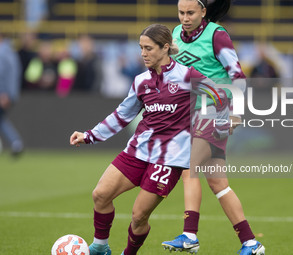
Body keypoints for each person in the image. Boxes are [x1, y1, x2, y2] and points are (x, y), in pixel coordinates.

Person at [69, 24, 226, 255]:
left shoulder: (187, 75)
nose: (143, 53)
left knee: (138, 216)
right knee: (100, 195)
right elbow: (123, 114)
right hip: (137, 151)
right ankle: (100, 246)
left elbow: (220, 95)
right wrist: (89, 136)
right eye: (141, 48)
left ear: (165, 48)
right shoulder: (141, 81)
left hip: (169, 159)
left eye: (149, 48)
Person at [161, 1, 265, 255]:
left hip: (215, 109)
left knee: (190, 168)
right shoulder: (175, 34)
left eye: (190, 13)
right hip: (190, 114)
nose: (185, 18)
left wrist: (237, 113)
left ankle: (189, 235)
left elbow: (237, 74)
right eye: (181, 13)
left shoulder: (217, 35)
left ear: (203, 12)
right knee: (218, 183)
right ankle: (251, 243)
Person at [0, 32, 24, 156]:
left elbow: (6, 75)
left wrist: (5, 94)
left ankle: (16, 142)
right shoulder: (10, 52)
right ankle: (16, 143)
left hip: (4, 94)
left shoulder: (4, 53)